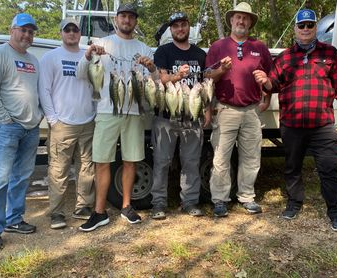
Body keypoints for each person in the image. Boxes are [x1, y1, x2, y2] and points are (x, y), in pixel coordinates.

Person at [253, 9, 337, 232]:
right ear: (295, 29)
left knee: (329, 167)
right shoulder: (285, 56)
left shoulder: (330, 53)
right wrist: (264, 80)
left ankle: (335, 211)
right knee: (292, 167)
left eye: (310, 25)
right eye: (301, 25)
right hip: (292, 124)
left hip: (322, 124)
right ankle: (294, 203)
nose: (305, 29)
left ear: (315, 27)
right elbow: (273, 86)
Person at [76, 3, 157, 231]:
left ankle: (126, 206)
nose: (127, 20)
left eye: (131, 17)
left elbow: (156, 82)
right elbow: (81, 74)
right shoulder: (101, 43)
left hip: (134, 112)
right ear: (116, 19)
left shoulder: (144, 48)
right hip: (106, 110)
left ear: (136, 21)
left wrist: (151, 69)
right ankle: (99, 212)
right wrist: (89, 54)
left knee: (131, 160)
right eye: (123, 16)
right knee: (102, 161)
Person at [205, 2, 272, 217]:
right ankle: (220, 200)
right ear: (231, 21)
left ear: (250, 22)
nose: (241, 21)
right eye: (238, 18)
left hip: (252, 110)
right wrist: (221, 70)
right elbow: (207, 78)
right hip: (226, 109)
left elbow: (271, 77)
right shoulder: (218, 47)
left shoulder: (260, 47)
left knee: (251, 157)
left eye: (245, 18)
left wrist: (267, 98)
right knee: (221, 157)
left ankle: (246, 197)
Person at [0, 13, 42, 251]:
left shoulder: (33, 60)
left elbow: (36, 91)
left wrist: (39, 115)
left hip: (31, 127)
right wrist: (4, 119)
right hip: (8, 127)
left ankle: (14, 220)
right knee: (1, 177)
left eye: (30, 31)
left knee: (23, 176)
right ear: (11, 30)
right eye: (23, 30)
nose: (27, 35)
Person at [38, 18, 96, 229]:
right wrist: (53, 119)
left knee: (86, 168)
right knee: (58, 170)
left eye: (75, 29)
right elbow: (44, 90)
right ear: (61, 33)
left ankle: (83, 206)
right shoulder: (50, 57)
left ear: (80, 33)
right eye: (67, 29)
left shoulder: (89, 56)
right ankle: (57, 212)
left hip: (88, 121)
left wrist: (95, 113)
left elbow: (95, 87)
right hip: (62, 123)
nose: (71, 33)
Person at [150, 12, 209, 219]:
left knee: (191, 161)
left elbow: (206, 85)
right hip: (165, 116)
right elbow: (161, 79)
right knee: (161, 161)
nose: (180, 29)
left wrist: (207, 110)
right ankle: (158, 203)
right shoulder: (163, 51)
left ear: (189, 27)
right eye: (175, 26)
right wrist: (178, 76)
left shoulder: (201, 54)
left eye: (183, 25)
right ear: (171, 30)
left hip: (192, 116)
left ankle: (190, 201)